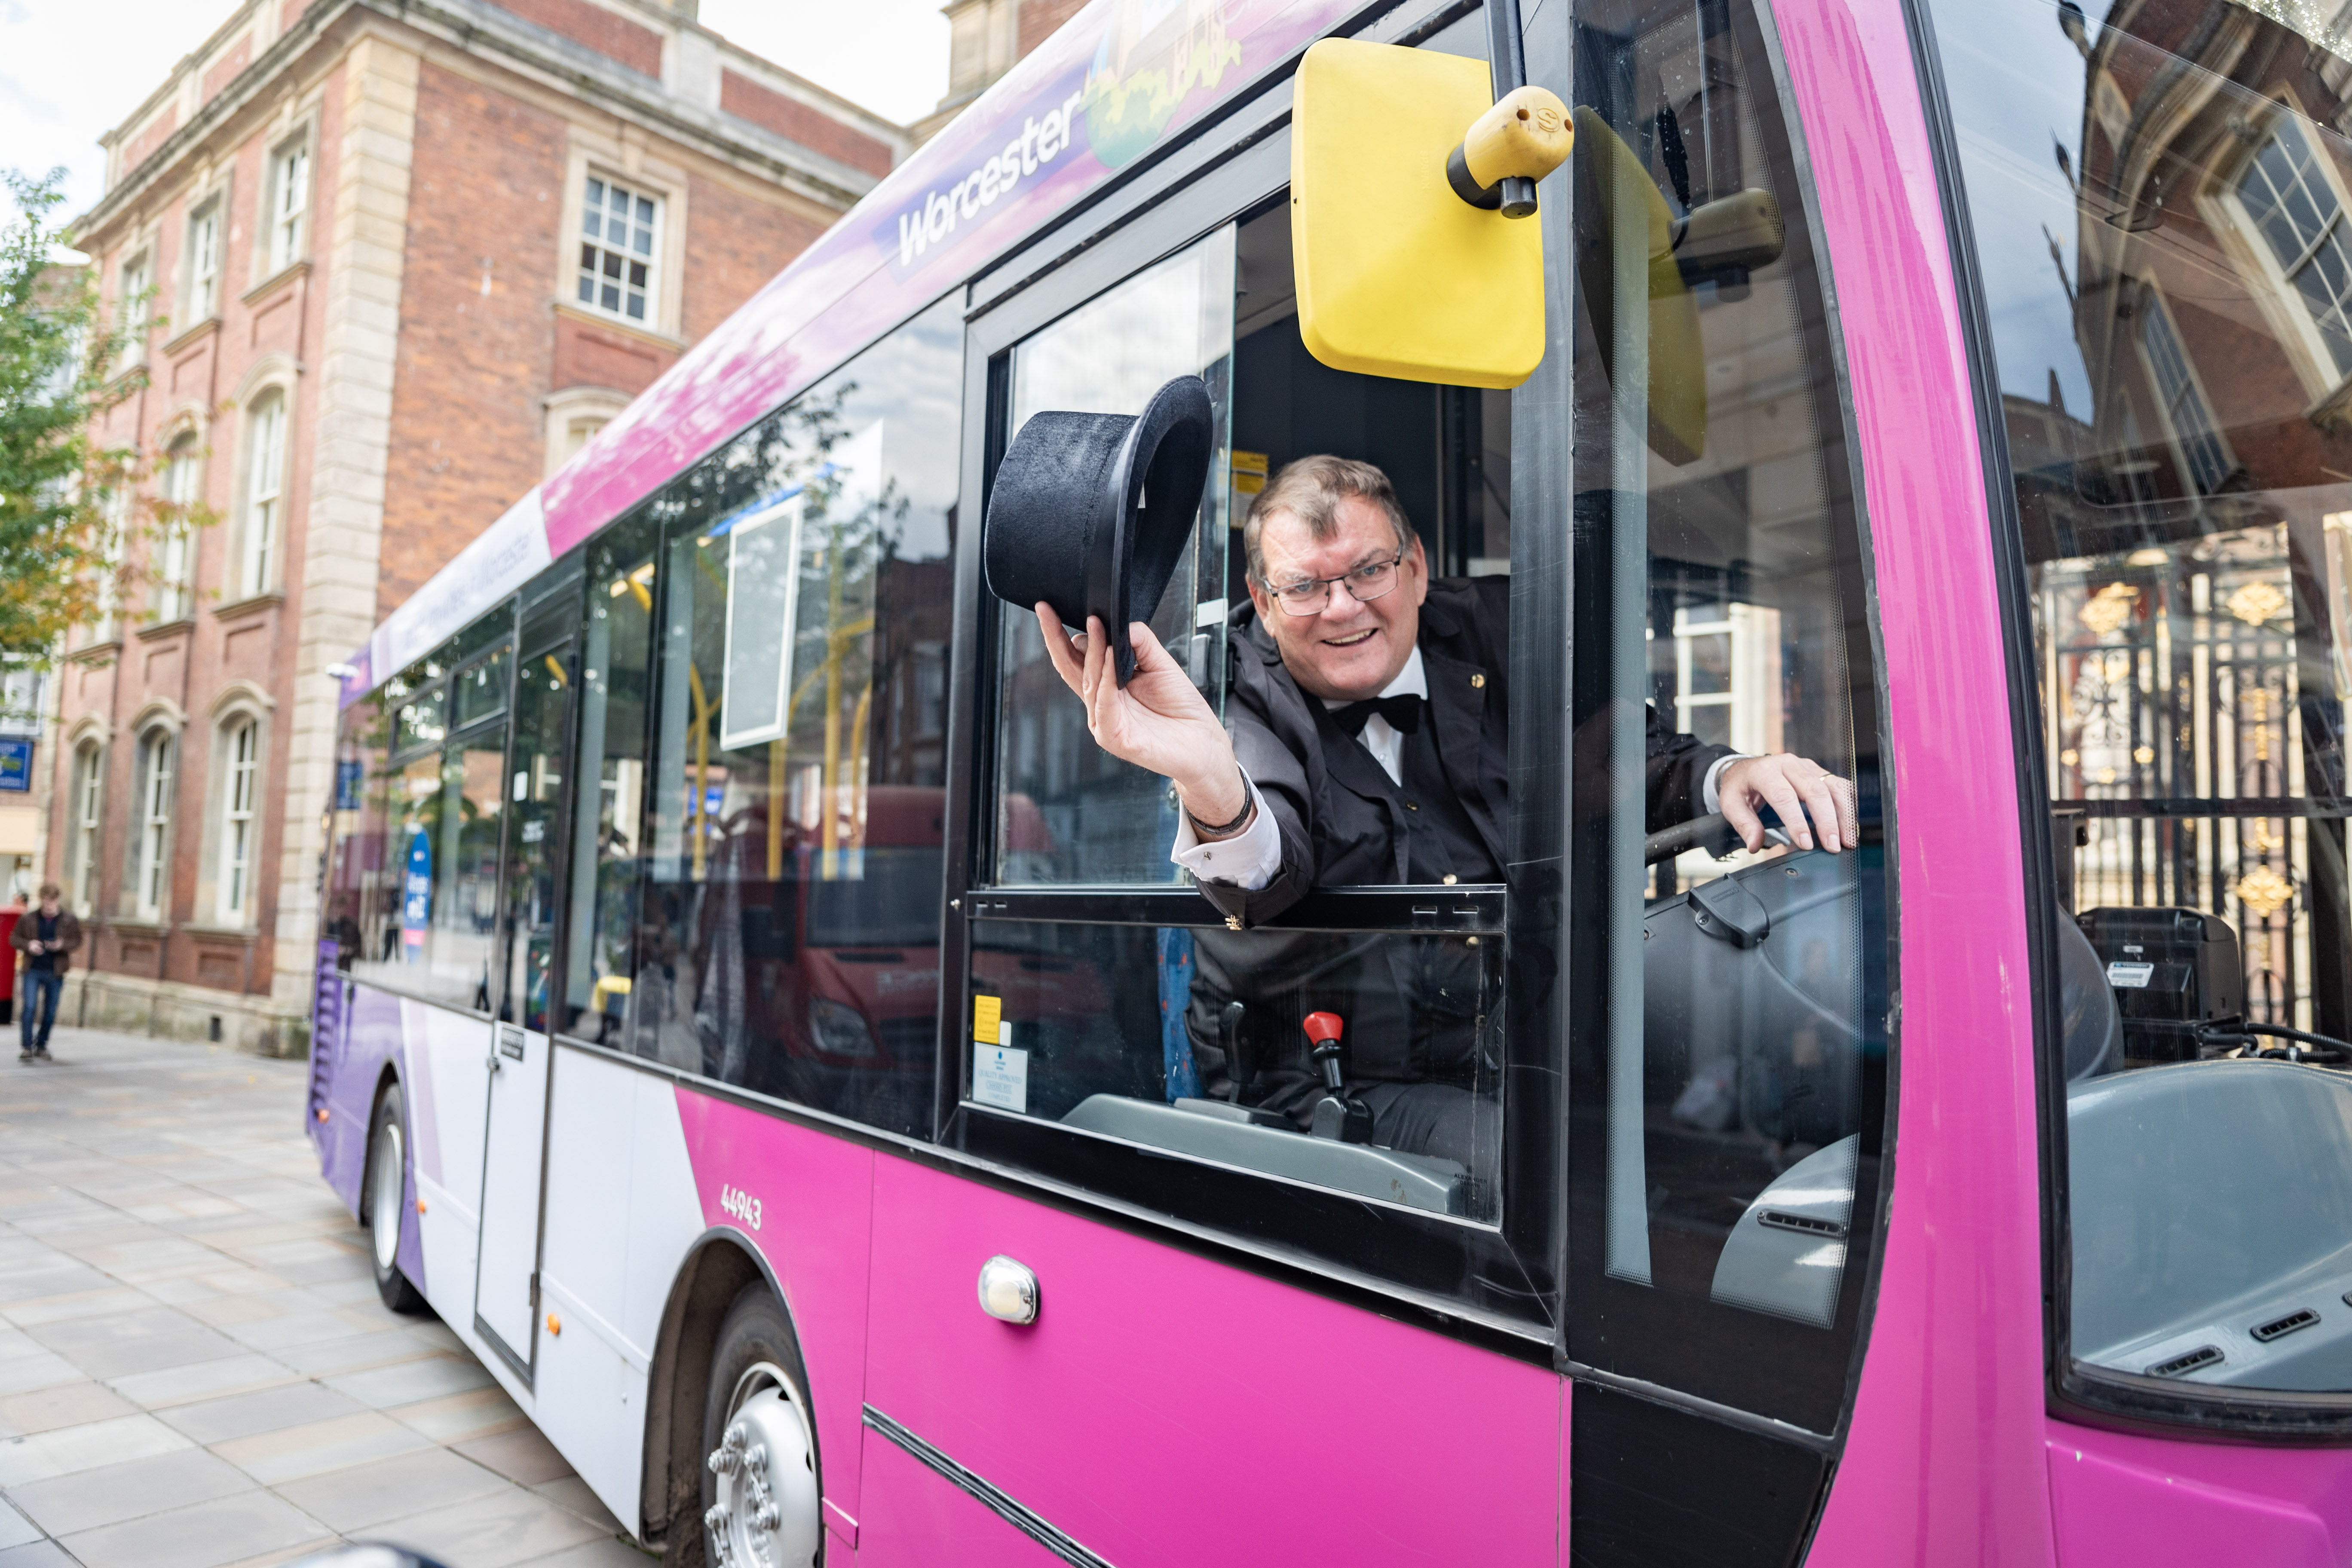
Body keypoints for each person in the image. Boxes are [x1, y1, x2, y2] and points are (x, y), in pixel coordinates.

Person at [1035, 455, 1857, 1161]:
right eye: (1305, 586)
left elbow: (1627, 755)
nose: (1343, 606)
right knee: (1542, 1169)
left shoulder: (1501, 629)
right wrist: (1209, 780)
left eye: (1368, 570)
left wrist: (1733, 773)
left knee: (1692, 1153)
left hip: (1512, 1048)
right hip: (1324, 1079)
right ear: (1264, 596)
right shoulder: (1234, 689)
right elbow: (1263, 867)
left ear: (1416, 568)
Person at [12, 882, 80, 1063]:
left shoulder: (69, 919)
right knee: (29, 1007)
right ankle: (27, 1047)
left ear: (57, 900)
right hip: (32, 969)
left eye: (51, 902)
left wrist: (61, 945)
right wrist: (29, 945)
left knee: (50, 1011)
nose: (48, 906)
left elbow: (77, 941)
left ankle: (41, 1045)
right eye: (45, 902)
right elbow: (14, 938)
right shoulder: (29, 918)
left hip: (55, 971)